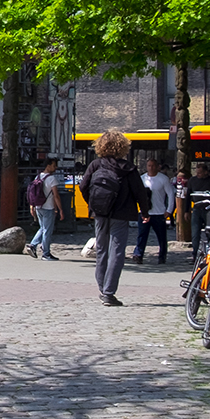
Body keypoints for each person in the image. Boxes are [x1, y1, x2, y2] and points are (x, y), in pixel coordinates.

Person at [85, 129, 151, 305]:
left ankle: (102, 287)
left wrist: (93, 206)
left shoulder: (95, 165)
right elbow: (140, 193)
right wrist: (144, 212)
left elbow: (84, 186)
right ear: (123, 147)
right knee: (117, 252)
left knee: (101, 251)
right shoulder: (129, 169)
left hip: (100, 213)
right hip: (121, 214)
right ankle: (108, 292)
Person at [133, 158, 175, 265]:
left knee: (161, 237)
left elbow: (170, 194)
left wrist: (169, 210)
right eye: (149, 166)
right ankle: (138, 254)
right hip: (145, 212)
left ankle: (162, 256)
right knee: (142, 235)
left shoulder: (163, 179)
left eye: (153, 166)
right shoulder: (142, 178)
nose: (151, 168)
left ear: (157, 167)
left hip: (159, 213)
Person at [25, 156, 63, 260]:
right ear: (48, 166)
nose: (55, 168)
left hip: (38, 207)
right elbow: (56, 196)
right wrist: (60, 209)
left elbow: (32, 194)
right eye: (54, 165)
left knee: (42, 228)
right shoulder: (51, 179)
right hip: (48, 208)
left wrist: (31, 206)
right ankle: (44, 253)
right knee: (47, 230)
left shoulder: (37, 177)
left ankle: (37, 246)